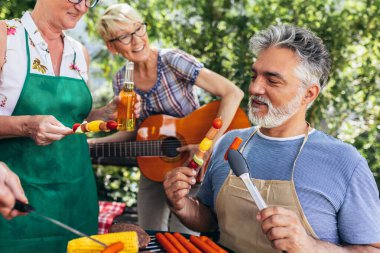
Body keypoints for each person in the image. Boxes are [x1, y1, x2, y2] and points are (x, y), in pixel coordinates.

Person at [164, 25, 380, 253]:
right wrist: (184, 206)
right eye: (254, 75)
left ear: (309, 94)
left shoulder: (344, 161)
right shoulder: (229, 143)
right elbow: (209, 220)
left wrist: (311, 247)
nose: (255, 88)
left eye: (272, 80)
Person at [0, 0, 140, 252]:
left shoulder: (79, 52)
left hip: (77, 198)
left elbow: (72, 122)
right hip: (16, 199)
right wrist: (26, 126)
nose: (84, 7)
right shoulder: (5, 38)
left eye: (90, 0)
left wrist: (105, 112)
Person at [94, 3, 244, 234]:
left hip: (191, 166)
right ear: (111, 47)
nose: (137, 40)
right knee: (147, 234)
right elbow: (131, 132)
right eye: (125, 36)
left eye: (138, 29)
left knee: (183, 237)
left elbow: (233, 93)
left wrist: (207, 146)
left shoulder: (172, 61)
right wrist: (92, 145)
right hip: (153, 165)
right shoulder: (123, 80)